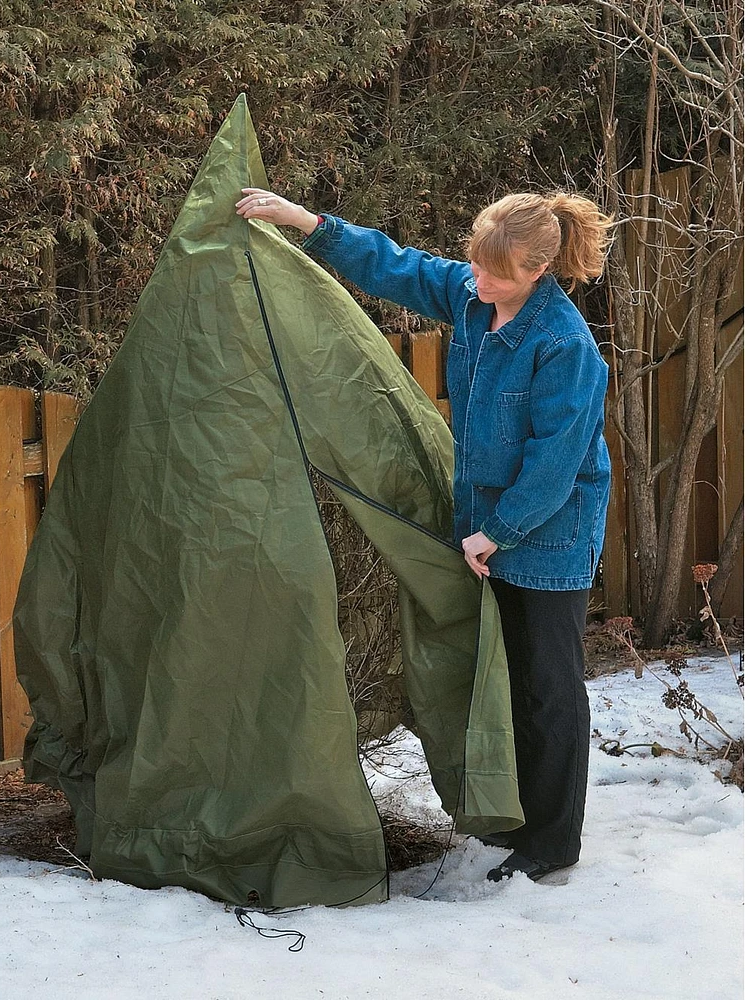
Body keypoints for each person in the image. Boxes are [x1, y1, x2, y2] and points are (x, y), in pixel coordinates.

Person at [235, 186, 612, 883]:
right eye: (473, 264)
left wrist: (494, 533)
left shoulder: (564, 345)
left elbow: (555, 462)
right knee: (501, 676)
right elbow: (394, 265)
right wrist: (305, 223)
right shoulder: (471, 300)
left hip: (547, 534)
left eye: (494, 272)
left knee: (545, 687)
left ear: (536, 272)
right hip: (487, 531)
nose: (478, 279)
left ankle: (552, 843)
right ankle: (517, 815)